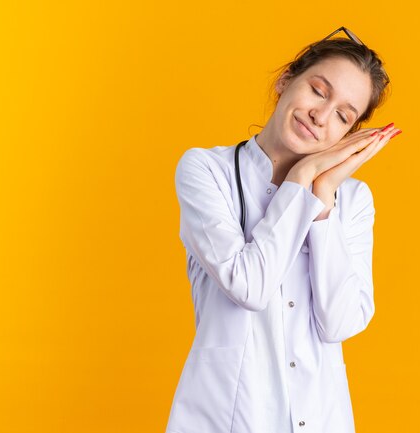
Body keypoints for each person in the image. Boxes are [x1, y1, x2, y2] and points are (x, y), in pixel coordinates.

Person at [165, 26, 401, 433]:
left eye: (343, 116)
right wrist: (303, 176)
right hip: (228, 419)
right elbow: (249, 287)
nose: (321, 116)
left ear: (351, 133)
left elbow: (340, 323)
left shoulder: (353, 199)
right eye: (318, 91)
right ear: (285, 80)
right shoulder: (207, 171)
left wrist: (323, 197)